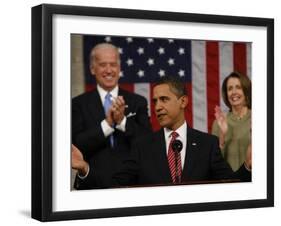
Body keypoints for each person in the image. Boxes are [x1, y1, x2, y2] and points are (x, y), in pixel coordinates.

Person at [72, 76, 251, 189]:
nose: (157, 107)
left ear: (183, 101)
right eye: (155, 101)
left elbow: (231, 186)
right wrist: (85, 168)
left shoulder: (207, 144)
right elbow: (115, 185)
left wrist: (248, 166)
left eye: (164, 99)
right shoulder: (142, 146)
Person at [72, 43, 152, 188]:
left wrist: (122, 121)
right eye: (103, 65)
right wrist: (108, 124)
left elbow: (148, 142)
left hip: (131, 185)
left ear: (119, 68)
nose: (109, 70)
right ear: (92, 69)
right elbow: (77, 145)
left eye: (113, 65)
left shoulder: (138, 102)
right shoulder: (77, 104)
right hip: (92, 184)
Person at [212, 71, 251, 171]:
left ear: (246, 90)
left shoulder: (260, 118)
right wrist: (222, 135)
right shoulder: (219, 122)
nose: (233, 92)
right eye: (230, 89)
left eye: (238, 87)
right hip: (229, 181)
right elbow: (214, 162)